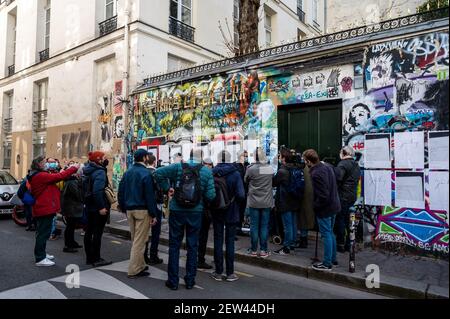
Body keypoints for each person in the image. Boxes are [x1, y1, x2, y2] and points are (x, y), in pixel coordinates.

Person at [154, 149, 215, 290]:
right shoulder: (206, 171)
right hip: (195, 212)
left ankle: (173, 281)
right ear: (201, 159)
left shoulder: (178, 167)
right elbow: (211, 195)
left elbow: (157, 174)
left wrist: (167, 188)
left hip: (177, 210)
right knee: (193, 246)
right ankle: (189, 280)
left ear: (190, 156)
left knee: (174, 245)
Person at [28, 156, 79, 266]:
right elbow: (59, 176)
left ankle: (42, 253)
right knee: (42, 234)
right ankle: (40, 258)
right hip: (44, 208)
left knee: (43, 233)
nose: (46, 164)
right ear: (39, 164)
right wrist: (73, 168)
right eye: (44, 162)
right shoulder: (41, 175)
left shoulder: (39, 174)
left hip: (44, 208)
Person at [118, 149, 158, 278]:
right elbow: (149, 196)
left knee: (136, 239)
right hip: (142, 210)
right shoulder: (146, 173)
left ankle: (140, 265)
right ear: (145, 158)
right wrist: (153, 213)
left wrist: (123, 207)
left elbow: (121, 191)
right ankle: (134, 269)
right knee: (140, 241)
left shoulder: (128, 172)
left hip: (130, 209)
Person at [302, 149, 341, 271]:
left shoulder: (316, 173)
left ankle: (327, 263)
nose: (304, 162)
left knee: (326, 234)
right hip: (334, 204)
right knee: (330, 233)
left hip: (325, 208)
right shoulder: (326, 167)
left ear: (308, 161)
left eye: (305, 160)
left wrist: (315, 206)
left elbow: (323, 195)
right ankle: (333, 259)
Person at [210, 151, 245, 282]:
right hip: (232, 210)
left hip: (217, 210)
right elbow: (241, 195)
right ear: (230, 159)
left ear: (218, 159)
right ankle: (230, 273)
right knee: (230, 242)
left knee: (218, 240)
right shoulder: (235, 174)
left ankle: (218, 272)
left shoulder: (212, 172)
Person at [83, 151, 112, 267]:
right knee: (97, 233)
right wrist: (101, 207)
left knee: (89, 232)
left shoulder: (88, 170)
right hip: (97, 207)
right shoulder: (99, 172)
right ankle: (96, 258)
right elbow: (97, 191)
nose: (106, 159)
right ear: (99, 160)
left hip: (89, 206)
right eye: (104, 157)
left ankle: (89, 258)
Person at [273, 148, 304, 255]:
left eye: (280, 156)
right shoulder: (296, 168)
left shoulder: (282, 171)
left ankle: (286, 247)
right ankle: (292, 244)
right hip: (295, 200)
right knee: (293, 224)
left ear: (284, 158)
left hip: (285, 201)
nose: (279, 158)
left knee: (287, 225)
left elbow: (274, 182)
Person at [244, 148, 274, 258]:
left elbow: (246, 180)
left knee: (254, 226)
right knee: (264, 226)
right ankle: (263, 250)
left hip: (254, 201)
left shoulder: (251, 169)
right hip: (266, 201)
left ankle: (253, 249)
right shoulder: (269, 169)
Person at [333, 146, 361, 253]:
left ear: (344, 153)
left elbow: (338, 178)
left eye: (341, 152)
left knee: (340, 220)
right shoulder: (356, 165)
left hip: (342, 196)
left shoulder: (343, 164)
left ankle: (340, 244)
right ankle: (349, 244)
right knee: (348, 221)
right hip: (352, 196)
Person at [145, 154, 165, 265]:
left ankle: (144, 255)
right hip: (156, 205)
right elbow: (160, 189)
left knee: (144, 232)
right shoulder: (157, 173)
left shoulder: (142, 172)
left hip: (144, 206)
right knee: (156, 231)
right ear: (154, 162)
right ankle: (153, 255)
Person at [60, 165, 84, 253]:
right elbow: (78, 194)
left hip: (71, 207)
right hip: (71, 207)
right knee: (70, 227)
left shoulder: (73, 180)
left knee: (72, 226)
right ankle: (68, 245)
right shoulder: (72, 182)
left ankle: (72, 242)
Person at [198, 157, 214, 270]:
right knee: (203, 236)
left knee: (193, 235)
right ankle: (200, 259)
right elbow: (211, 195)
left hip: (193, 209)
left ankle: (192, 257)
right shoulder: (209, 175)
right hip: (204, 210)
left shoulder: (197, 173)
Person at [46, 158, 63, 240]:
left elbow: (60, 186)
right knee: (52, 218)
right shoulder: (45, 174)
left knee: (53, 218)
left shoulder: (56, 173)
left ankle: (51, 232)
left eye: (54, 162)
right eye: (51, 162)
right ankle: (51, 234)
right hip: (48, 199)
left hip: (54, 198)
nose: (53, 163)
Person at [234, 150, 250, 237]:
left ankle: (239, 228)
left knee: (242, 211)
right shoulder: (235, 165)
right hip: (237, 192)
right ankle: (234, 230)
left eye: (247, 156)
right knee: (236, 211)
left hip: (245, 191)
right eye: (245, 156)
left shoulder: (247, 165)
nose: (246, 157)